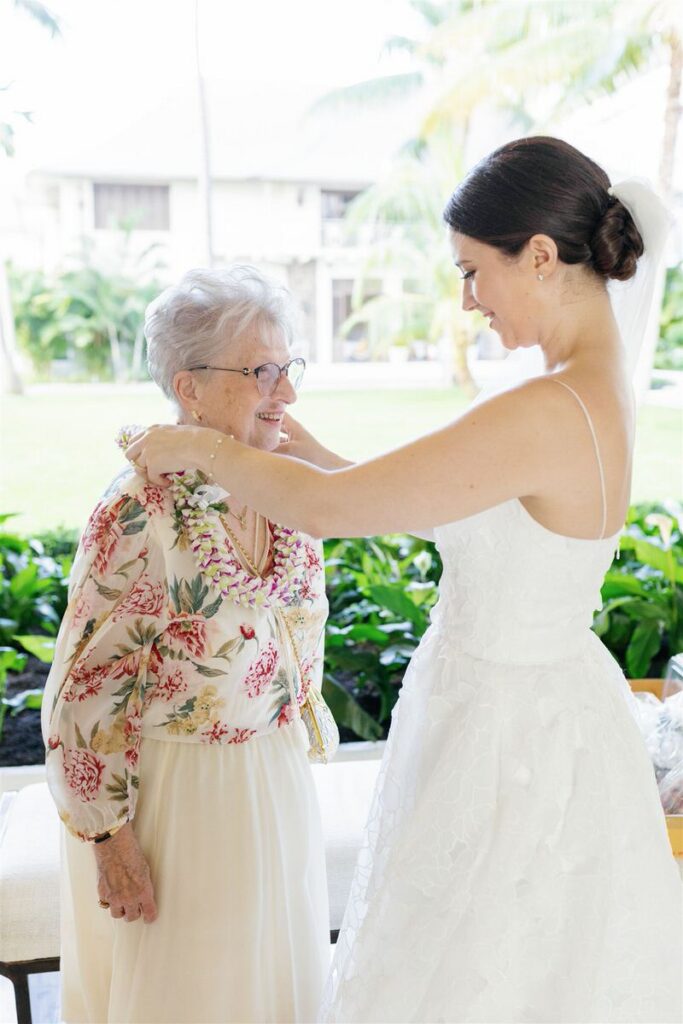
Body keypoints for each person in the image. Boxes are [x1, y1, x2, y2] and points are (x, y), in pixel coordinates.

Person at [125, 137, 682, 1023]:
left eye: (471, 271)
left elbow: (330, 511)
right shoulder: (593, 384)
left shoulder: (542, 405)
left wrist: (201, 447)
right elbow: (459, 507)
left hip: (501, 735)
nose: (468, 302)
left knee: (474, 970)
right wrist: (316, 453)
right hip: (555, 706)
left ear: (538, 255)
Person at [41, 266, 330, 1024]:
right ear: (188, 386)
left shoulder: (287, 482)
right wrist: (108, 838)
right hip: (181, 795)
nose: (287, 394)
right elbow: (85, 685)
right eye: (262, 371)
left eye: (288, 367)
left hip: (273, 773)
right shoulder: (138, 507)